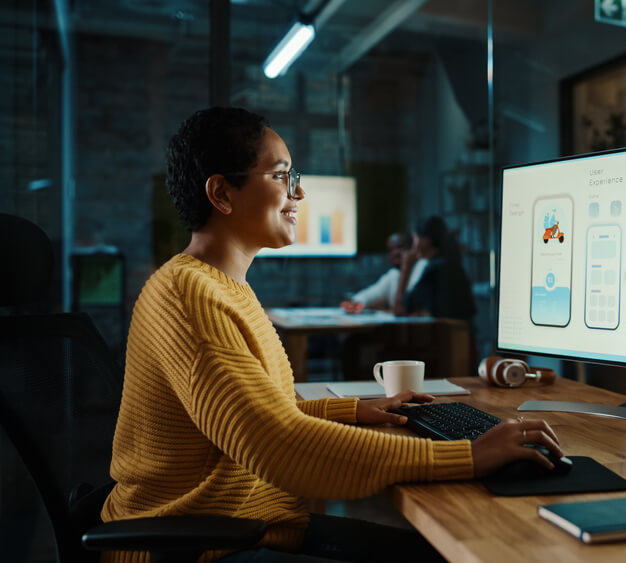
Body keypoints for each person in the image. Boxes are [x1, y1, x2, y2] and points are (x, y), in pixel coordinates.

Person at [101, 107, 561, 563]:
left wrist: (355, 411)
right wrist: (469, 456)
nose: (298, 192)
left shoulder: (222, 287)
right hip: (196, 546)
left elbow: (264, 412)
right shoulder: (188, 294)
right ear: (222, 193)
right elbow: (276, 444)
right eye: (282, 176)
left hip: (242, 526)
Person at [393, 216, 476, 325]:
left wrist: (406, 268)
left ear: (425, 241)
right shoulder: (449, 262)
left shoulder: (435, 268)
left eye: (415, 239)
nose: (413, 246)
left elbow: (399, 309)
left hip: (450, 338)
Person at [340, 232, 423, 313]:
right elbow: (368, 295)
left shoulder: (423, 270)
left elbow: (407, 308)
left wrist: (406, 268)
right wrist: (354, 303)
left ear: (413, 249)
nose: (395, 253)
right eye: (390, 250)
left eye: (400, 247)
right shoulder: (393, 274)